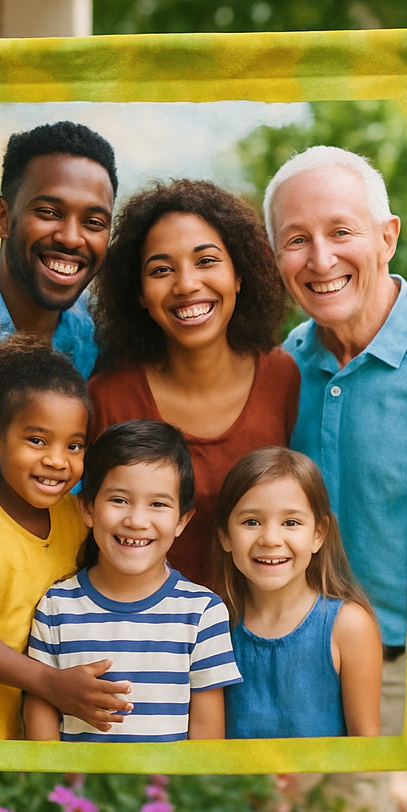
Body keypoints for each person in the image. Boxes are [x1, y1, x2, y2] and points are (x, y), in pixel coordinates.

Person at [263, 145, 407, 739]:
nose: (320, 259)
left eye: (341, 231)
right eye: (296, 240)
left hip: (404, 668)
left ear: (386, 237)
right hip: (288, 668)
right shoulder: (278, 370)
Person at [88, 179, 300, 594]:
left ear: (239, 274)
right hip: (146, 643)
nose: (186, 284)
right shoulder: (106, 399)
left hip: (262, 636)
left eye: (206, 261)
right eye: (161, 270)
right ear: (140, 295)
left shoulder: (283, 376)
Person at [24, 419, 242, 742]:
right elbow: (39, 712)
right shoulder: (56, 607)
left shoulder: (203, 614)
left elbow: (206, 742)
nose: (136, 521)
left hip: (168, 793)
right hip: (78, 791)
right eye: (119, 500)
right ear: (87, 509)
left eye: (158, 504)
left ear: (182, 519)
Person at [0, 334, 132, 740]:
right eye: (37, 440)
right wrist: (49, 682)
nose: (57, 460)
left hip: (46, 735)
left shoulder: (76, 518)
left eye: (74, 445)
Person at [0, 120, 118, 490]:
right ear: (3, 217)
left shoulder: (97, 339)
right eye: (49, 213)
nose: (71, 237)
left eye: (94, 222)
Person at [213, 446, 381, 739]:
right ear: (225, 535)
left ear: (318, 533)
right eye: (251, 522)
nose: (270, 539)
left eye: (291, 522)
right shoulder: (213, 626)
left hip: (325, 786)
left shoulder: (349, 626)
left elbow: (365, 750)